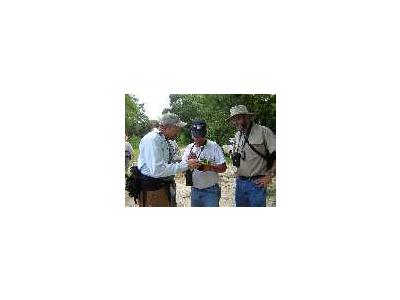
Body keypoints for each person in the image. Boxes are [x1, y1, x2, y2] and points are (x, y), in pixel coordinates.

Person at [137, 113, 201, 207]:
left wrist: (184, 160)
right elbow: (158, 170)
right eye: (177, 128)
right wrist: (187, 165)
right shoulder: (153, 139)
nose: (179, 131)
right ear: (167, 127)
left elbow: (168, 160)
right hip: (154, 190)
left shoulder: (165, 139)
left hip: (163, 186)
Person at [228, 105, 276, 207]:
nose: (235, 122)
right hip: (240, 183)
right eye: (233, 120)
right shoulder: (237, 135)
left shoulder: (263, 131)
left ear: (247, 117)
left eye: (238, 118)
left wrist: (270, 176)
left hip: (257, 183)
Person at [182, 120, 227, 207]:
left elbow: (224, 168)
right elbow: (183, 168)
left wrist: (208, 167)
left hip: (211, 191)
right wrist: (189, 163)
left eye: (201, 136)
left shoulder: (214, 146)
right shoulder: (189, 148)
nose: (198, 139)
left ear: (205, 134)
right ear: (192, 134)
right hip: (195, 190)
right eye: (196, 136)